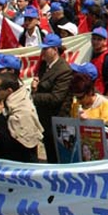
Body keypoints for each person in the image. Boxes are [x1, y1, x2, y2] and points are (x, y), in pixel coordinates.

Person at [32, 33, 73, 163]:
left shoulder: (63, 70)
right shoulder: (45, 66)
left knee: (59, 158)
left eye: (45, 49)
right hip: (46, 121)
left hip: (58, 121)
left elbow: (56, 97)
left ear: (55, 50)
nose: (42, 52)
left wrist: (35, 97)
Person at [0, 72, 43, 163]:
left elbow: (10, 142)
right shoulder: (8, 103)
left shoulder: (23, 110)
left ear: (9, 91)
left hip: (22, 164)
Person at [69, 63, 108, 133]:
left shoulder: (105, 105)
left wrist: (89, 122)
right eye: (76, 97)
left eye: (80, 97)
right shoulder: (75, 104)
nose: (78, 100)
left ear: (89, 92)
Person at [89, 27, 108, 96]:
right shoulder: (91, 54)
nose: (95, 42)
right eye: (94, 38)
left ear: (105, 41)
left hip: (101, 96)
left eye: (99, 40)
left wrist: (106, 99)